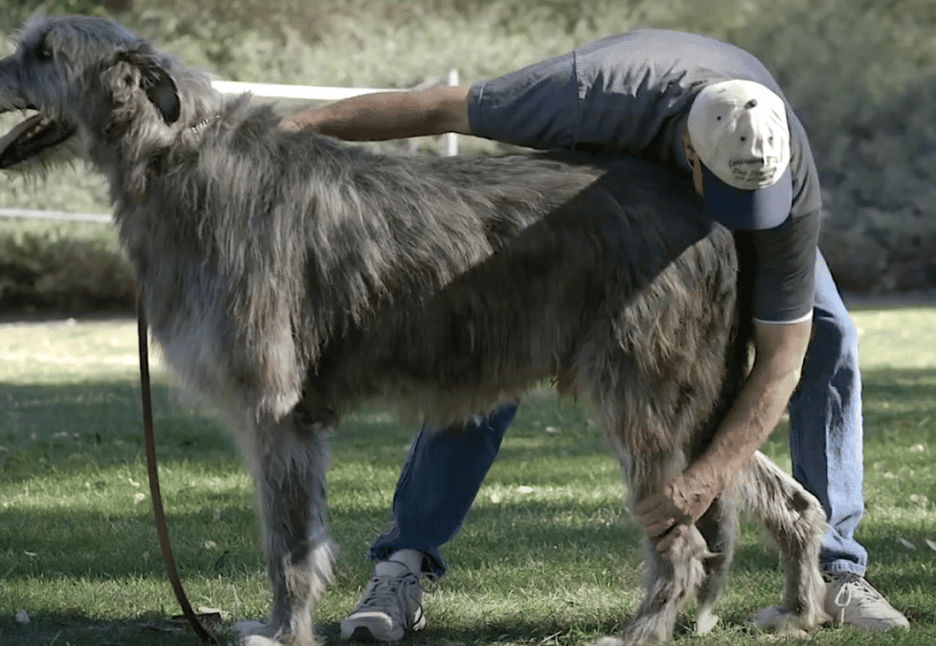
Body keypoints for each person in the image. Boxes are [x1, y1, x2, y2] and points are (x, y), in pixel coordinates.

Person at [281, 29, 910, 641]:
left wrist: (704, 480)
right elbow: (439, 108)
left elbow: (781, 363)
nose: (734, 219)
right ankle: (404, 563)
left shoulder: (782, 172)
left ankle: (837, 569)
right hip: (591, 196)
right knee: (484, 347)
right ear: (689, 151)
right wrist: (296, 130)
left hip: (705, 200)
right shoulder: (585, 94)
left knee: (828, 338)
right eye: (725, 194)